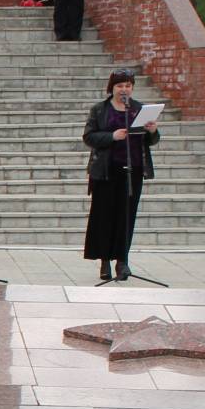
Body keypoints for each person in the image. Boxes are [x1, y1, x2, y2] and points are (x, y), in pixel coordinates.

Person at [83, 70, 159, 282]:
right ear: (112, 88)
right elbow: (89, 136)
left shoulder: (139, 109)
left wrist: (152, 131)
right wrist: (111, 136)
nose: (123, 89)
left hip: (132, 170)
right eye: (119, 86)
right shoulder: (100, 110)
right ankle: (105, 261)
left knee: (126, 216)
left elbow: (150, 141)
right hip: (106, 171)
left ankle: (122, 261)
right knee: (104, 216)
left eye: (127, 85)